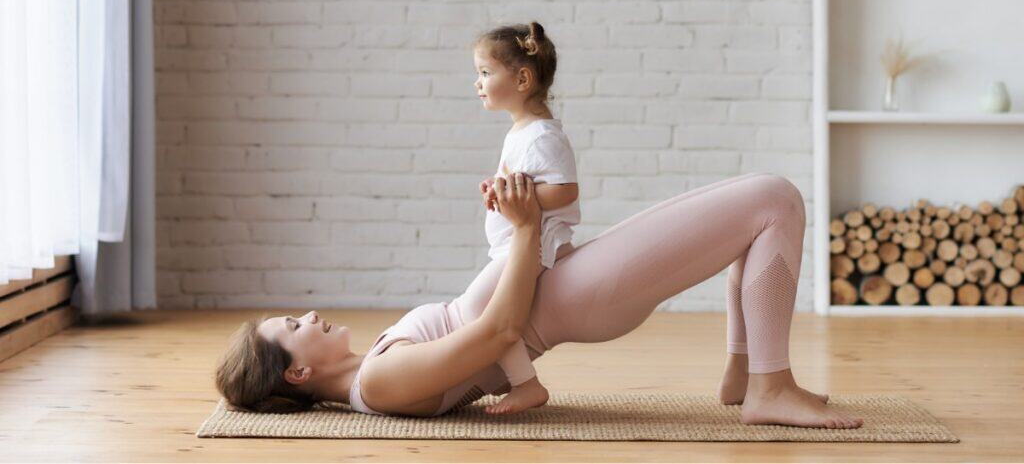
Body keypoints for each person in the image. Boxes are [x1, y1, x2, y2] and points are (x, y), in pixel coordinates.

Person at [216, 170, 865, 429]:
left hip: (573, 286)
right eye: (294, 325)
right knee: (773, 201)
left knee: (752, 213)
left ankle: (741, 375)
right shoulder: (380, 385)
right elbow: (500, 327)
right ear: (297, 371)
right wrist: (526, 228)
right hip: (578, 300)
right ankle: (769, 387)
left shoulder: (373, 368)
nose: (311, 316)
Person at [473, 21, 580, 414]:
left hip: (532, 247)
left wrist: (522, 197)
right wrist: (500, 191)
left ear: (521, 79)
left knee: (480, 311)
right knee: (483, 311)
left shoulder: (542, 135)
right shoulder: (521, 131)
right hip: (513, 245)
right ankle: (517, 380)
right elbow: (524, 182)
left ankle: (527, 384)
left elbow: (566, 190)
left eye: (485, 73)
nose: (477, 82)